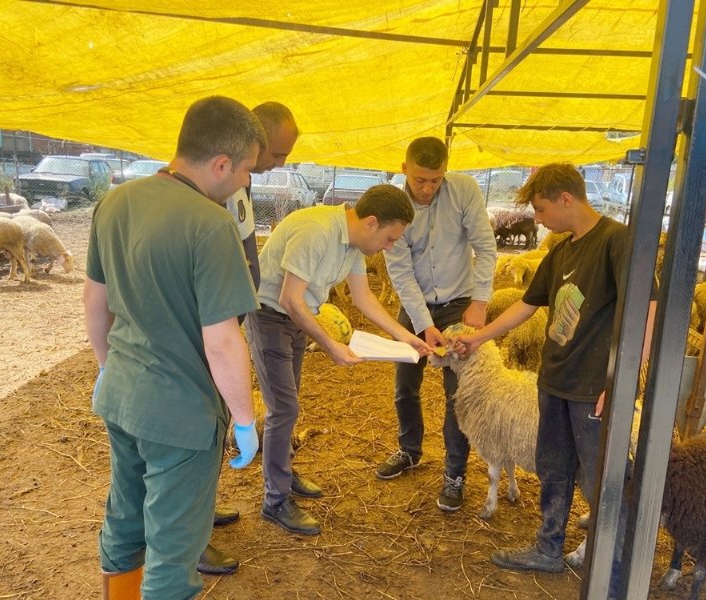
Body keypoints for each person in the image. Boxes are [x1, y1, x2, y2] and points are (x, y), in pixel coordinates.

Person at [84, 96, 266, 600]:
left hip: (121, 398)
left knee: (125, 514)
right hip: (180, 415)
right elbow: (223, 340)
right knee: (173, 547)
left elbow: (95, 301)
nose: (247, 181)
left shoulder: (115, 202)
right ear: (222, 163)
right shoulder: (211, 224)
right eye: (248, 169)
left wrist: (107, 367)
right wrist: (245, 418)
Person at [451, 163, 655, 581]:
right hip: (555, 381)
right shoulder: (559, 251)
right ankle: (548, 547)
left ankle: (615, 562)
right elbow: (526, 305)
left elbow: (647, 307)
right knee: (554, 467)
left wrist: (626, 379)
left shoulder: (618, 241)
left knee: (601, 474)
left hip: (593, 386)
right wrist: (478, 338)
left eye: (541, 210)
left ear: (567, 198)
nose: (538, 220)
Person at [247, 184, 433, 535]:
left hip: (298, 319)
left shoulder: (353, 244)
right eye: (390, 238)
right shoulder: (316, 231)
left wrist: (407, 336)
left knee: (290, 403)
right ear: (372, 223)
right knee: (283, 408)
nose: (389, 247)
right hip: (270, 316)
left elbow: (364, 298)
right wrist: (330, 344)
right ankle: (275, 500)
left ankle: (282, 471)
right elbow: (289, 299)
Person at [375, 136, 497, 513]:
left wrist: (479, 303)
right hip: (415, 308)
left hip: (460, 306)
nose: (427, 189)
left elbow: (486, 246)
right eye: (420, 180)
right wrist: (423, 324)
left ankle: (454, 473)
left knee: (455, 394)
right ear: (404, 170)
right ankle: (410, 450)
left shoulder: (464, 191)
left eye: (436, 180)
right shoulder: (394, 206)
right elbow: (401, 271)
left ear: (446, 172)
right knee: (404, 385)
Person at [202, 102, 300, 574]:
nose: (277, 163)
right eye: (275, 154)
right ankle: (190, 537)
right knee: (200, 430)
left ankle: (199, 511)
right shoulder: (207, 194)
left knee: (213, 425)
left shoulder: (239, 185)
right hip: (211, 330)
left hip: (231, 319)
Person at [225, 102, 299, 291]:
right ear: (254, 141)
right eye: (277, 154)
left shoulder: (243, 181)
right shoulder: (221, 185)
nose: (282, 164)